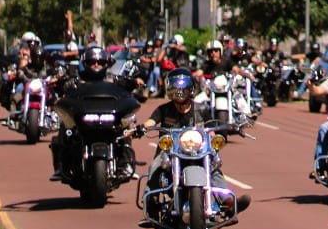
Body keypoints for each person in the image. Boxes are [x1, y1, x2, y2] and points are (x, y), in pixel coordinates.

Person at [138, 71, 251, 213]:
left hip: (197, 151)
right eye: (176, 91)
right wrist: (141, 128)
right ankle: (150, 201)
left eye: (183, 91)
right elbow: (151, 121)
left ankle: (227, 201)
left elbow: (213, 126)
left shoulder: (202, 109)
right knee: (156, 165)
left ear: (190, 91)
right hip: (169, 153)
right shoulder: (164, 109)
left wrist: (225, 128)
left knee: (213, 166)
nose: (180, 95)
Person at [49, 44, 140, 182]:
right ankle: (61, 166)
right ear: (85, 63)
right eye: (92, 62)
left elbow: (128, 86)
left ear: (106, 63)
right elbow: (62, 87)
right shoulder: (77, 80)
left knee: (127, 126)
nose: (96, 64)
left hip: (110, 117)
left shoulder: (113, 79)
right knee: (65, 126)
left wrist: (134, 82)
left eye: (100, 62)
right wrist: (59, 82)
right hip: (84, 118)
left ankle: (125, 163)